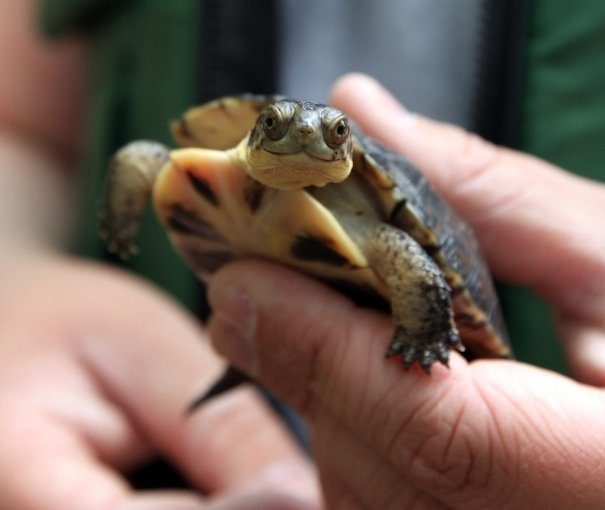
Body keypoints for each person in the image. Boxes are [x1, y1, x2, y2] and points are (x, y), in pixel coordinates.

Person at [3, 2, 605, 510]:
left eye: (335, 134)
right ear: (259, 133)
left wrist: (427, 335)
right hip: (150, 462)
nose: (309, 138)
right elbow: (34, 128)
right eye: (281, 127)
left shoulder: (376, 230)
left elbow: (409, 256)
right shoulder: (208, 156)